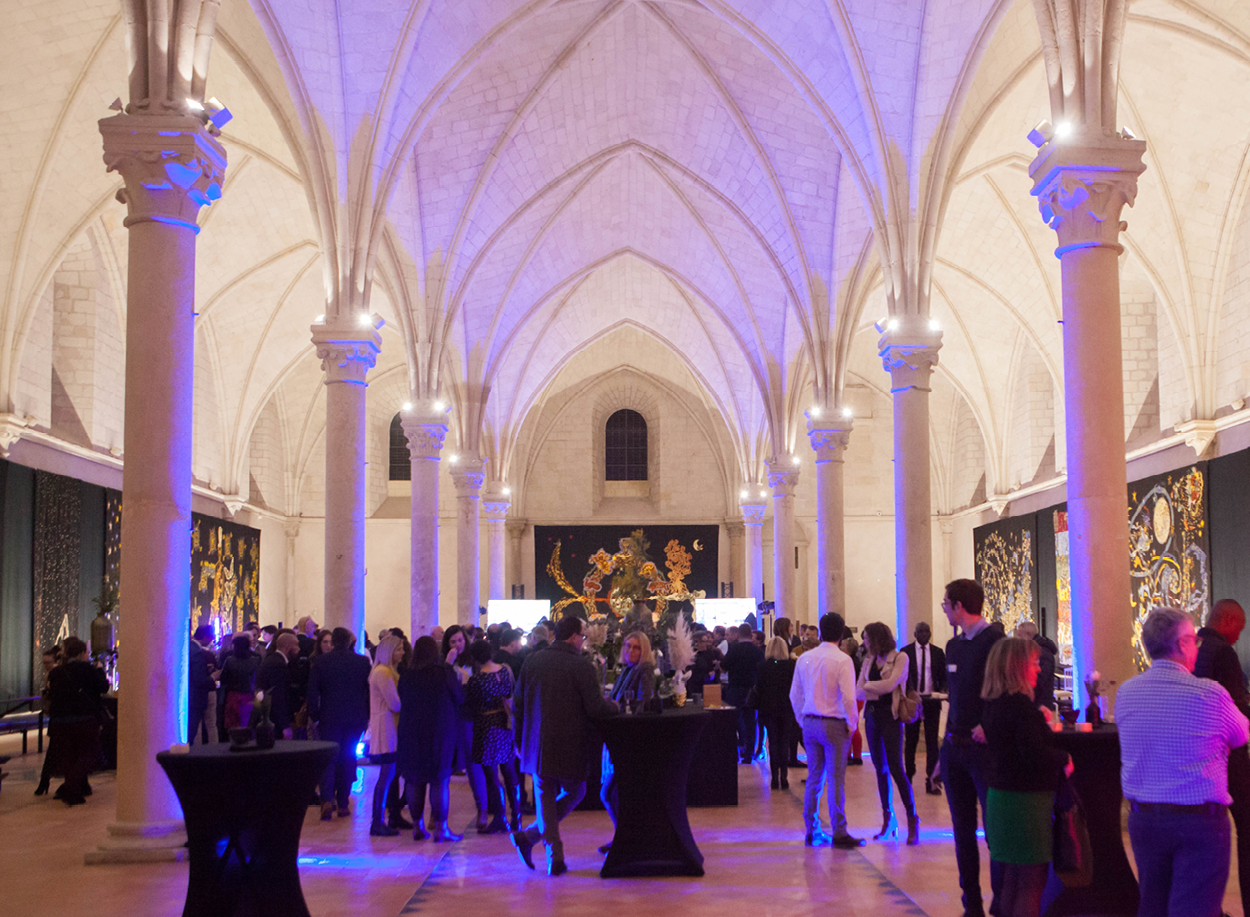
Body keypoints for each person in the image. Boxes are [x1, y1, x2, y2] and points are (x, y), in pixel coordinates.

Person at [1119, 607, 1250, 917]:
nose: (1197, 648)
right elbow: (1242, 734)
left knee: (1153, 905)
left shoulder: (1127, 692)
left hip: (1144, 818)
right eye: (1193, 640)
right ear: (1181, 645)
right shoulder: (1209, 693)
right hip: (1198, 822)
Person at [511, 615, 619, 876]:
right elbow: (594, 708)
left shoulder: (532, 660)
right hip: (570, 740)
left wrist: (518, 739)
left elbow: (517, 704)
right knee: (576, 791)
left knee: (545, 792)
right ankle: (550, 853)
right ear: (573, 636)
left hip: (536, 741)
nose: (583, 641)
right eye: (582, 636)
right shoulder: (580, 665)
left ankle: (536, 841)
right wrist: (613, 706)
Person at [981, 638, 1072, 917]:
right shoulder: (1020, 707)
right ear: (1018, 668)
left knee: (1011, 880)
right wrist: (1065, 759)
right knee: (1031, 882)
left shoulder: (993, 704)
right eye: (1033, 664)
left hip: (1000, 797)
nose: (1038, 670)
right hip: (1025, 803)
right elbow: (1033, 754)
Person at [941, 578, 1005, 917]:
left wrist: (988, 723)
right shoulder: (953, 647)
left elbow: (1005, 689)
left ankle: (1002, 900)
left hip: (983, 751)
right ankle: (972, 904)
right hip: (955, 749)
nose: (944, 609)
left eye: (945, 603)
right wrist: (943, 750)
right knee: (962, 830)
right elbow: (956, 701)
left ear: (958, 606)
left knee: (993, 829)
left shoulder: (995, 641)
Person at [789, 612, 864, 848]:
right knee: (835, 779)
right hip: (834, 723)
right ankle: (839, 830)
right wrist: (851, 725)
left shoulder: (804, 658)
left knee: (814, 777)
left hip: (810, 722)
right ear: (841, 634)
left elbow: (795, 695)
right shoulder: (843, 660)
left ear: (820, 631)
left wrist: (803, 719)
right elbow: (849, 698)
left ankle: (811, 828)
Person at [1195, 598, 1250, 917]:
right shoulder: (1223, 652)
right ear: (1227, 621)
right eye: (1239, 628)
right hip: (1229, 759)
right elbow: (1235, 711)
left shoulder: (1192, 650)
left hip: (1197, 761)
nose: (1239, 636)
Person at [397, 636, 465, 843]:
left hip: (411, 732)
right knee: (440, 780)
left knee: (414, 779)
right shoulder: (443, 673)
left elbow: (402, 699)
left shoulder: (406, 675)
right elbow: (459, 698)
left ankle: (417, 826)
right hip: (439, 732)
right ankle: (441, 829)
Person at [857, 621, 918, 844]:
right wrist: (874, 687)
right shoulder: (868, 660)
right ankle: (888, 819)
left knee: (895, 767)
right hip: (872, 718)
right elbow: (858, 691)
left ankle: (912, 818)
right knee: (879, 768)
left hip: (891, 718)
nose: (864, 643)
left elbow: (892, 685)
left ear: (877, 639)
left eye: (867, 638)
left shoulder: (900, 658)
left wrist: (869, 687)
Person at [596, 632, 656, 854]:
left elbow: (643, 703)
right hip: (618, 737)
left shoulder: (644, 670)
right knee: (612, 793)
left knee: (610, 793)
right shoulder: (627, 670)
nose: (630, 651)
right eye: (628, 646)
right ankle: (623, 836)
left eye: (636, 647)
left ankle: (626, 838)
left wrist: (617, 708)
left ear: (644, 650)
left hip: (629, 739)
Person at [307, 627, 371, 820]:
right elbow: (366, 692)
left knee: (329, 758)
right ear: (350, 641)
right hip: (355, 717)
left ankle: (326, 799)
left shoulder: (320, 662)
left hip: (329, 717)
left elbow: (312, 692)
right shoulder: (361, 662)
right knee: (348, 757)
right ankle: (343, 803)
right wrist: (367, 716)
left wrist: (315, 715)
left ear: (333, 642)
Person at [465, 639, 522, 834]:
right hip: (505, 724)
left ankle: (499, 817)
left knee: (491, 776)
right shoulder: (505, 670)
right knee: (509, 771)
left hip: (486, 727)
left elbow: (470, 705)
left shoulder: (477, 679)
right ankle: (517, 815)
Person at [45, 637, 109, 806]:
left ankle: (75, 789)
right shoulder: (88, 669)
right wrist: (100, 670)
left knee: (69, 756)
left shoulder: (56, 672)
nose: (88, 655)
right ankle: (71, 785)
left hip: (59, 721)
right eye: (87, 652)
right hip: (84, 719)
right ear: (81, 653)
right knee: (91, 755)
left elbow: (51, 694)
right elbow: (103, 687)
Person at [902, 621, 947, 795]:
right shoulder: (906, 652)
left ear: (930, 633)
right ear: (914, 634)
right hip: (913, 701)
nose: (922, 634)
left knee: (931, 741)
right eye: (919, 631)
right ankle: (909, 776)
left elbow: (943, 676)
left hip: (931, 701)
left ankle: (931, 779)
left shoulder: (937, 652)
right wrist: (910, 691)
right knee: (911, 740)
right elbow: (904, 676)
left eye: (926, 631)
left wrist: (942, 689)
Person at [368, 633, 405, 836]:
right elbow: (395, 703)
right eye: (399, 649)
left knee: (388, 774)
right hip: (387, 725)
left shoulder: (386, 671)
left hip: (389, 723)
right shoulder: (383, 672)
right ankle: (377, 821)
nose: (403, 652)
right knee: (386, 775)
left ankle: (381, 819)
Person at [756, 636, 796, 789]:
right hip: (787, 707)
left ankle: (774, 778)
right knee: (784, 741)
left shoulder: (763, 667)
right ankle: (784, 777)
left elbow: (758, 688)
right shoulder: (791, 666)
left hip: (768, 708)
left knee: (773, 741)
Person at [723, 622, 765, 762]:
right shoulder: (757, 651)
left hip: (735, 688)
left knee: (731, 723)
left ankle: (732, 753)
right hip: (751, 691)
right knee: (750, 724)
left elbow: (723, 667)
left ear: (739, 634)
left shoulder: (734, 649)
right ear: (750, 633)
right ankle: (749, 754)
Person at [253, 631, 298, 736]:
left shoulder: (271, 659)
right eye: (296, 645)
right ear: (288, 646)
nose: (298, 649)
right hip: (274, 720)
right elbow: (278, 696)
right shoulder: (279, 665)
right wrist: (285, 725)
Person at [220, 634, 260, 731]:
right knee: (247, 722)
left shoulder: (229, 660)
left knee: (233, 724)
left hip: (233, 695)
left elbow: (223, 679)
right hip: (249, 695)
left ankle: (234, 743)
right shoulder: (256, 660)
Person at [1014, 621, 1055, 712]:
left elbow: (1039, 680)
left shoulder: (1042, 652)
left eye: (1020, 635)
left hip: (1041, 704)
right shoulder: (1035, 651)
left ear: (1028, 635)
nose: (1018, 639)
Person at [188, 624, 217, 745]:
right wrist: (212, 677)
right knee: (200, 727)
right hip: (196, 697)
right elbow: (199, 679)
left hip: (189, 696)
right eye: (211, 637)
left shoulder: (189, 647)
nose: (212, 640)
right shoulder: (197, 651)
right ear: (205, 637)